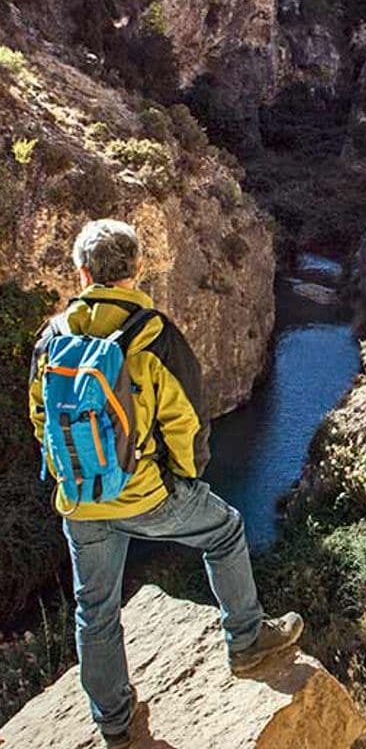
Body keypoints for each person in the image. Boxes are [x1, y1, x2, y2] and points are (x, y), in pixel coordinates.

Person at [28, 219, 302, 749]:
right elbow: (187, 420)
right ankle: (246, 640)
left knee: (95, 608)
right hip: (148, 493)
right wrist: (186, 478)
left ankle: (114, 722)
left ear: (81, 273)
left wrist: (73, 474)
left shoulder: (52, 337)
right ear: (135, 271)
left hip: (80, 499)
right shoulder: (152, 334)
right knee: (224, 531)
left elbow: (40, 416)